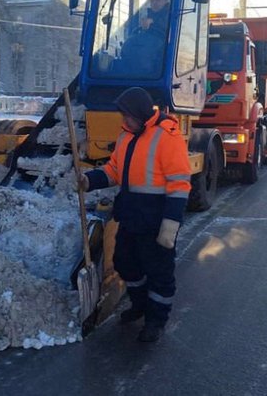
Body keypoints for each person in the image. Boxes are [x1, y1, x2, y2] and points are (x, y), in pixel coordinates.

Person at [76, 87, 191, 342]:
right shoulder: (127, 136)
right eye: (123, 115)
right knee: (125, 264)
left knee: (159, 272)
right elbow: (114, 170)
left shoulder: (167, 137)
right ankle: (139, 304)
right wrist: (89, 180)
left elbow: (179, 184)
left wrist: (170, 226)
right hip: (130, 216)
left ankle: (156, 320)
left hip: (156, 220)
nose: (123, 120)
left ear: (140, 113)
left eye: (127, 115)